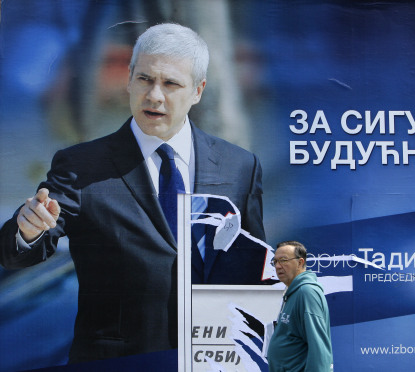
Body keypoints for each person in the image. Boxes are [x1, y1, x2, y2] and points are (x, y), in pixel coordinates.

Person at [0, 23, 266, 363]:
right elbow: (15, 253)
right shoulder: (81, 165)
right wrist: (28, 230)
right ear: (129, 79)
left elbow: (255, 264)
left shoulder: (239, 166)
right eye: (144, 79)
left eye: (170, 83)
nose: (154, 95)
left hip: (211, 360)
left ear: (198, 90)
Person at [267, 241, 333, 372]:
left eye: (283, 260)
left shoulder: (306, 293)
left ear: (300, 262)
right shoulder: (293, 292)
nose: (278, 266)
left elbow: (319, 347)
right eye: (275, 262)